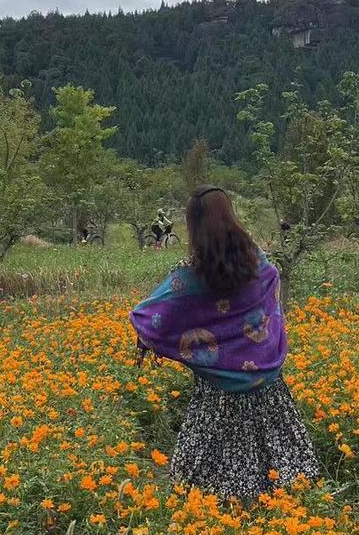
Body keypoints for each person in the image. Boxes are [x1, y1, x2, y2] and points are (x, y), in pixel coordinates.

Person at [130, 186, 321, 500]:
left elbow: (148, 316)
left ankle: (219, 509)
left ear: (193, 227)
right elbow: (270, 297)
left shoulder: (188, 277)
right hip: (266, 386)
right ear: (230, 217)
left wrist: (151, 339)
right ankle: (278, 504)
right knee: (282, 471)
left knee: (204, 484)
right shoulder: (259, 263)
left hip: (217, 395)